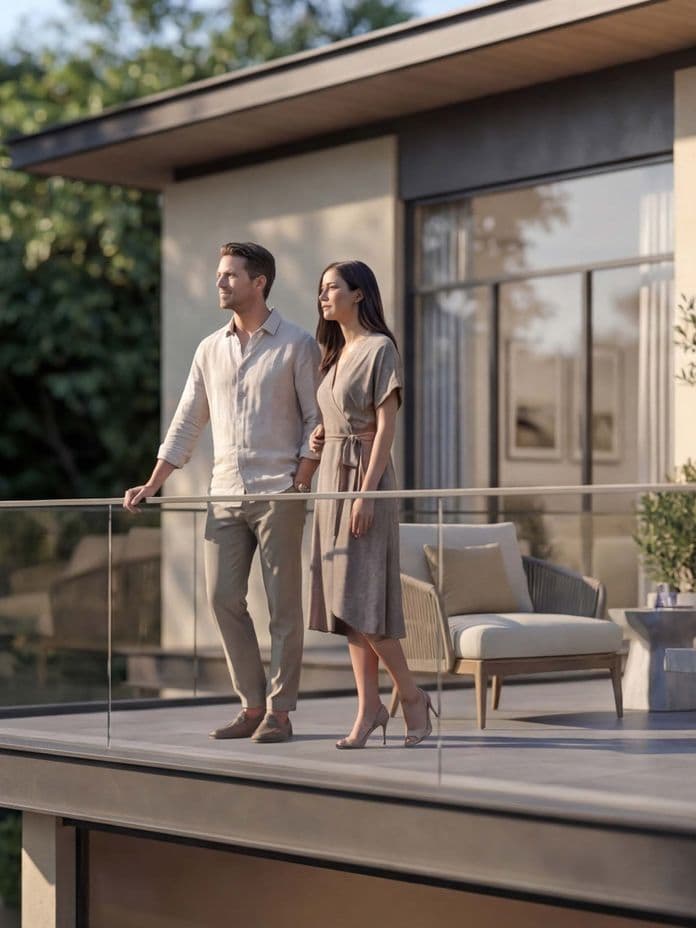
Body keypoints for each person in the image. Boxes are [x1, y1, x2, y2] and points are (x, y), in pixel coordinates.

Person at [124, 242, 321, 744]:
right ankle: (252, 705)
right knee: (222, 599)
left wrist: (300, 482)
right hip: (225, 493)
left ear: (260, 282)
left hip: (280, 492)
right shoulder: (209, 348)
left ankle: (280, 710)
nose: (221, 282)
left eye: (231, 275)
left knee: (283, 607)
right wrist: (154, 482)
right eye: (219, 274)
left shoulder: (297, 344)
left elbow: (314, 422)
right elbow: (188, 419)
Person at [308, 260, 437, 749]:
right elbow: (340, 414)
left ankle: (410, 696)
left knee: (364, 601)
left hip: (364, 484)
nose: (323, 296)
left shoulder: (380, 348)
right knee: (345, 608)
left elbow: (385, 426)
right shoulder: (335, 353)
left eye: (332, 288)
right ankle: (369, 709)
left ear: (359, 294)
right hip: (330, 485)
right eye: (320, 289)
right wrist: (323, 434)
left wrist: (366, 491)